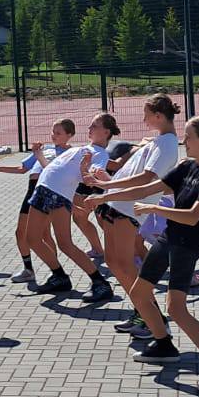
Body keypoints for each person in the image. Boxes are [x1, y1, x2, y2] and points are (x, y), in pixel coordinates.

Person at [92, 115, 199, 393]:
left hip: (187, 245)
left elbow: (194, 216)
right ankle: (163, 345)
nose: (184, 141)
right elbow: (147, 188)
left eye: (189, 137)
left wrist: (153, 209)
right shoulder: (186, 167)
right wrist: (104, 194)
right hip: (169, 237)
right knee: (139, 292)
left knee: (176, 309)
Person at [76, 93, 180, 338]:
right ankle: (141, 312)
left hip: (127, 210)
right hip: (116, 205)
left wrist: (107, 188)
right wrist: (105, 184)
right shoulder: (158, 141)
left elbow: (147, 178)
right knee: (113, 262)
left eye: (146, 115)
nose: (144, 120)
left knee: (125, 264)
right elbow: (130, 172)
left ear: (158, 115)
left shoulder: (167, 143)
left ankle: (154, 319)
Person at [23, 113, 119, 301]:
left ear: (106, 132)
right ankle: (59, 276)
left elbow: (91, 178)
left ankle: (100, 283)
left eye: (94, 126)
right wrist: (39, 155)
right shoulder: (82, 148)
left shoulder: (99, 154)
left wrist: (87, 170)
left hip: (58, 195)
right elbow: (53, 167)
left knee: (65, 244)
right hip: (43, 188)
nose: (89, 128)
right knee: (32, 239)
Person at [0, 120, 74, 283]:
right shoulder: (45, 149)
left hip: (49, 191)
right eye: (53, 131)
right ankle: (28, 270)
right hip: (32, 189)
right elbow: (23, 168)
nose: (53, 135)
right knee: (20, 232)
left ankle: (56, 271)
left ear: (69, 135)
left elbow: (54, 173)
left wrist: (40, 156)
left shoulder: (70, 153)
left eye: (58, 133)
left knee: (44, 233)